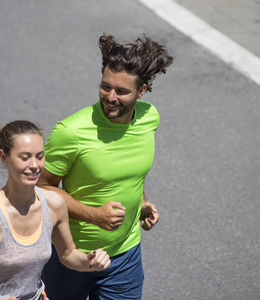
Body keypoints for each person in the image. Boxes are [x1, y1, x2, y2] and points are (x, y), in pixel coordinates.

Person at [0, 72, 111, 300]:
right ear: (4, 157)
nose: (34, 165)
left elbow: (68, 254)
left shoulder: (54, 204)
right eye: (25, 157)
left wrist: (92, 261)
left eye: (40, 156)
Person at [38, 33, 173, 300]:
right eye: (105, 87)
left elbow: (132, 172)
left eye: (122, 91)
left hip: (126, 255)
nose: (110, 97)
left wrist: (142, 203)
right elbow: (42, 188)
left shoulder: (149, 117)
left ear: (141, 91)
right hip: (71, 256)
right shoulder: (71, 131)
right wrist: (93, 215)